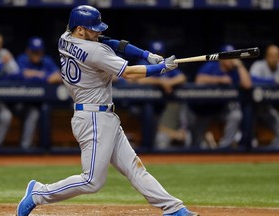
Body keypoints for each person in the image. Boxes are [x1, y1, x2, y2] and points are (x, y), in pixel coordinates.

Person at [16, 5, 198, 216]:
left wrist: (146, 54)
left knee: (134, 168)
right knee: (92, 181)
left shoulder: (65, 38)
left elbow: (110, 42)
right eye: (93, 28)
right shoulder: (94, 51)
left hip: (103, 116)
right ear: (80, 30)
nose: (98, 32)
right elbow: (129, 72)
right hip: (93, 118)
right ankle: (38, 193)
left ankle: (174, 209)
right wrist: (161, 68)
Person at [184, 45, 252, 149]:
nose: (231, 60)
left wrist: (240, 65)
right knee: (195, 143)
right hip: (200, 109)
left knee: (236, 115)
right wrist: (219, 80)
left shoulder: (235, 70)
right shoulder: (212, 65)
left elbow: (247, 85)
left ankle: (224, 148)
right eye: (229, 57)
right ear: (221, 59)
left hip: (219, 108)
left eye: (233, 56)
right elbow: (199, 80)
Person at [135, 40, 189, 149]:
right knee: (148, 112)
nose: (158, 55)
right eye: (155, 52)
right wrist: (160, 82)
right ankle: (146, 147)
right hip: (139, 104)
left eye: (160, 53)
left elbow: (182, 77)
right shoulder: (143, 63)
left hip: (159, 105)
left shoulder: (165, 65)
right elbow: (139, 80)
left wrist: (169, 82)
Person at [14, 36, 62, 149]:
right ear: (28, 51)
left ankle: (29, 148)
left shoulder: (47, 60)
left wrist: (34, 75)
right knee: (31, 113)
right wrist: (45, 77)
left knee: (40, 110)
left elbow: (58, 76)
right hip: (19, 102)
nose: (36, 54)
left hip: (39, 102)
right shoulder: (22, 59)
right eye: (34, 51)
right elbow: (21, 76)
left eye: (38, 51)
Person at [0, 31, 20, 149]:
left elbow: (16, 73)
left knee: (6, 116)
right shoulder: (4, 58)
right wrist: (1, 64)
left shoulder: (5, 53)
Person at [250, 44, 279, 149]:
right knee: (247, 119)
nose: (275, 58)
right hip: (253, 106)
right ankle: (249, 145)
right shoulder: (259, 65)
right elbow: (252, 80)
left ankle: (273, 151)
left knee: (277, 120)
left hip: (268, 107)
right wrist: (272, 81)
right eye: (272, 55)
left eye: (277, 55)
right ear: (267, 56)